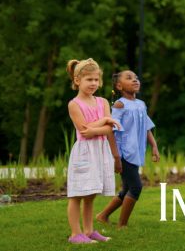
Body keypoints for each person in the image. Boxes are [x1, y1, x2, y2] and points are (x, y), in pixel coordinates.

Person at [66, 59, 120, 244]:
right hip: (84, 153)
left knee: (91, 193)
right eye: (89, 79)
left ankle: (89, 231)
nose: (94, 84)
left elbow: (109, 129)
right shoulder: (74, 104)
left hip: (100, 150)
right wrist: (104, 121)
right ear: (77, 80)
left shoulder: (102, 102)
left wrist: (98, 126)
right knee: (77, 194)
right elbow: (83, 131)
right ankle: (75, 234)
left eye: (96, 80)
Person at [96, 70, 159, 227]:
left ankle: (103, 216)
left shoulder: (141, 104)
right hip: (124, 153)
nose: (135, 80)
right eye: (129, 78)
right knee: (136, 187)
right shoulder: (120, 104)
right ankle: (122, 224)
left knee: (127, 188)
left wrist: (154, 146)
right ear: (119, 85)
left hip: (135, 152)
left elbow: (146, 127)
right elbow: (112, 129)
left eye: (136, 78)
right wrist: (117, 157)